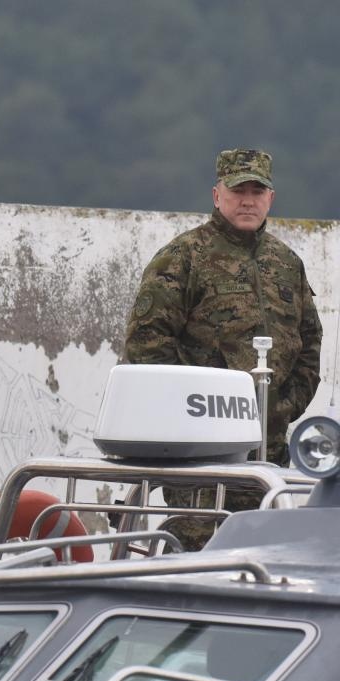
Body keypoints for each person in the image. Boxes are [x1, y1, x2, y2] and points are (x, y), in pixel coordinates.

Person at [125, 148, 322, 548]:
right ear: (217, 196)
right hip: (202, 460)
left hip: (271, 459)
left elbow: (309, 344)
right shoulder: (183, 258)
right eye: (237, 190)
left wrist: (281, 408)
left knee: (269, 565)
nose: (247, 200)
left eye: (257, 190)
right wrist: (194, 412)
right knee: (202, 564)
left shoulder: (287, 264)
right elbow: (146, 344)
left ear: (271, 198)